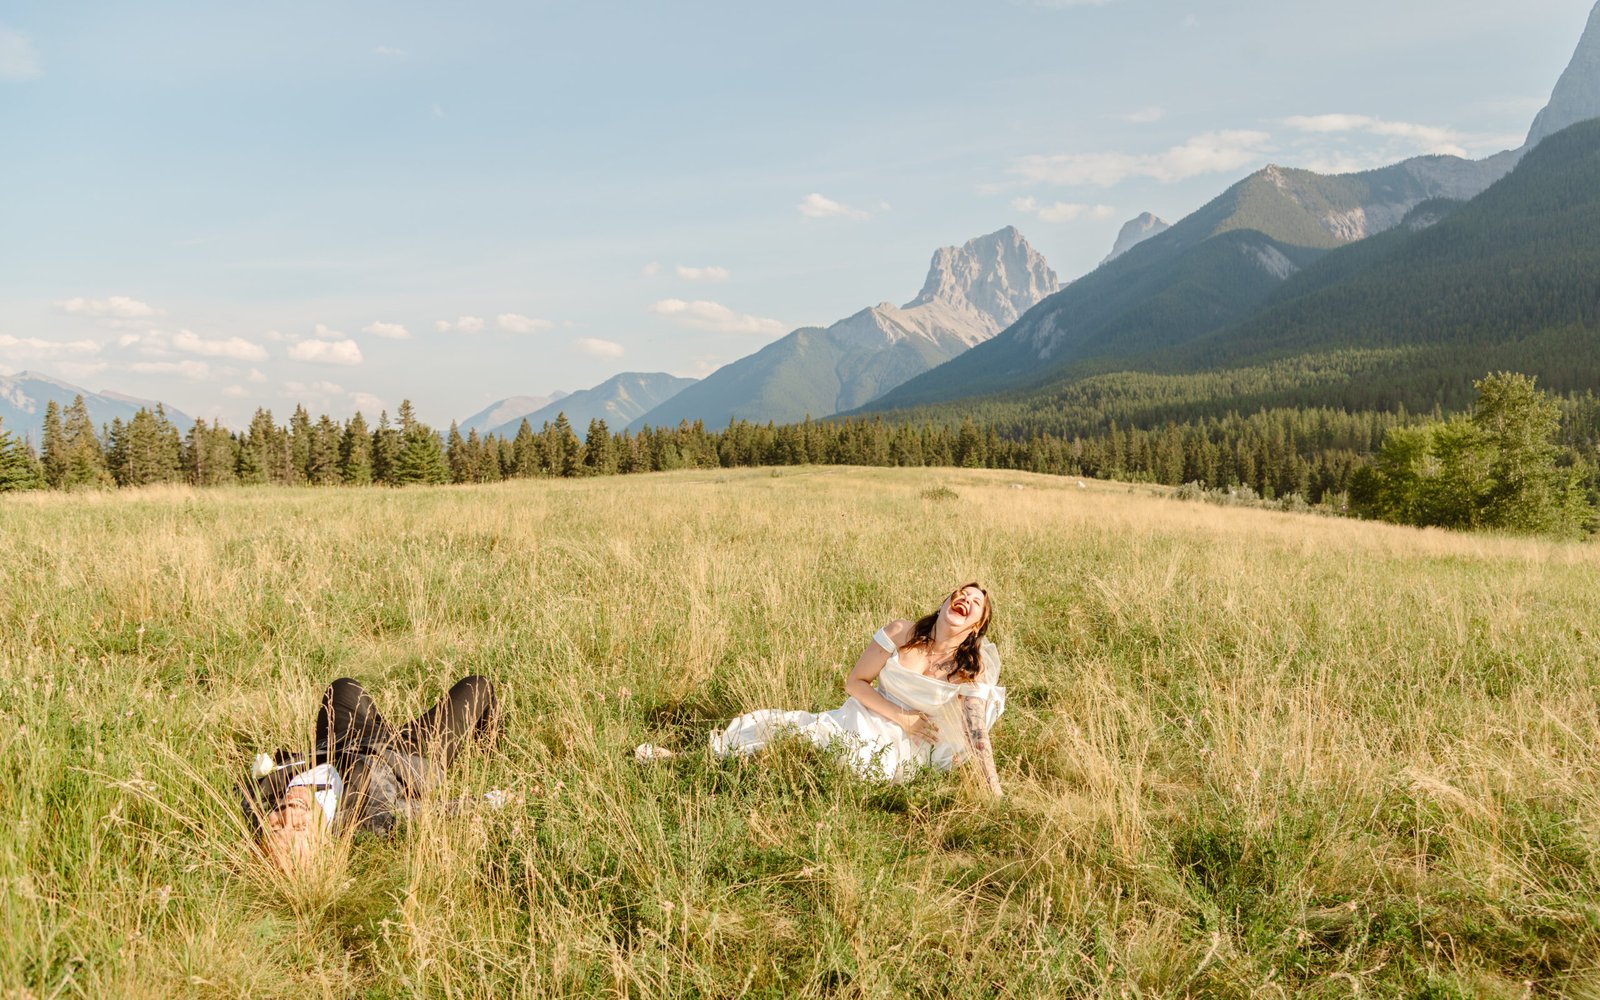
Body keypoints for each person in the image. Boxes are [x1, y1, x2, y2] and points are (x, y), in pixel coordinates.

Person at [705, 583, 1005, 795]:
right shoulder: (901, 632)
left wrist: (994, 790)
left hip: (914, 742)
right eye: (960, 594)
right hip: (870, 711)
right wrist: (901, 716)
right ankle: (725, 762)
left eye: (975, 602)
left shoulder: (970, 667)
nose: (964, 598)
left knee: (867, 770)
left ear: (976, 626)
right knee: (810, 739)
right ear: (943, 605)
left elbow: (976, 732)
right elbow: (855, 683)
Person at [238, 674, 501, 869]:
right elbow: (434, 812)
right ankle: (493, 753)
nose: (289, 813)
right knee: (478, 687)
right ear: (324, 842)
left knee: (343, 687)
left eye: (276, 828)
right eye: (299, 826)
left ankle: (380, 721)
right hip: (408, 752)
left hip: (340, 739)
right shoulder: (367, 820)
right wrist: (494, 801)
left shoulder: (256, 801)